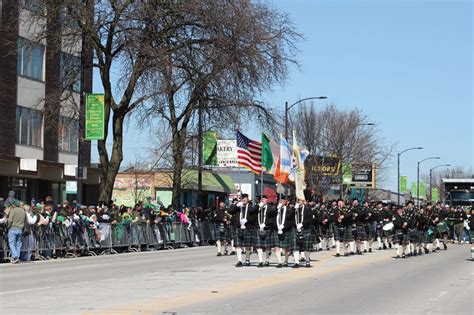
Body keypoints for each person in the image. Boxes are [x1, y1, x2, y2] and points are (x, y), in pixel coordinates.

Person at [229, 194, 257, 267]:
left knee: (247, 245)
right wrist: (236, 205)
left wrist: (247, 220)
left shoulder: (251, 207)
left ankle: (247, 260)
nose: (244, 200)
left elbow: (254, 217)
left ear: (248, 199)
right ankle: (239, 261)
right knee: (238, 245)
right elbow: (230, 211)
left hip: (247, 228)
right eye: (243, 198)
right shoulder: (238, 207)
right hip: (238, 228)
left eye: (245, 198)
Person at [254, 196, 276, 267]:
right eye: (261, 200)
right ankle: (260, 261)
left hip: (267, 228)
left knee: (267, 246)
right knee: (259, 246)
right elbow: (251, 211)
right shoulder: (258, 207)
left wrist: (266, 223)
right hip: (258, 228)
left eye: (264, 199)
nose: (262, 201)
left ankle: (267, 260)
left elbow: (273, 213)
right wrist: (258, 206)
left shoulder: (270, 207)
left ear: (267, 200)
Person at [274, 196, 295, 268]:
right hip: (277, 230)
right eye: (280, 201)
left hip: (285, 230)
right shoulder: (275, 209)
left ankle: (286, 261)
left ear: (285, 202)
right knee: (277, 246)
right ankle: (279, 262)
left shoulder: (289, 209)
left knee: (286, 247)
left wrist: (284, 226)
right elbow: (270, 214)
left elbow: (291, 220)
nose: (281, 202)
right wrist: (277, 208)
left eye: (283, 201)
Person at [294, 199, 314, 267]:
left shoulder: (307, 209)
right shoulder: (294, 209)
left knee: (306, 247)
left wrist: (302, 224)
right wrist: (293, 209)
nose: (298, 203)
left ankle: (307, 260)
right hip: (296, 229)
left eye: (300, 201)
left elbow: (310, 219)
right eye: (297, 201)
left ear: (303, 202)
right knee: (295, 247)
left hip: (305, 228)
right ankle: (296, 262)